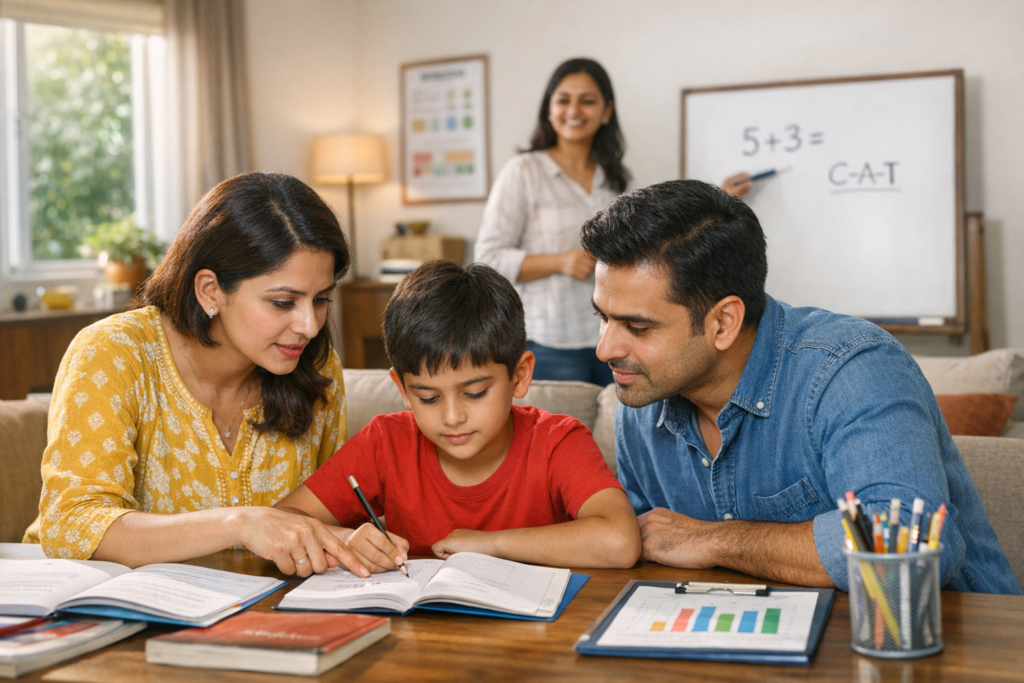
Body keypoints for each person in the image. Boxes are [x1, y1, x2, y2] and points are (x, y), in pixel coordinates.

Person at [580, 179, 1022, 594]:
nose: (605, 349)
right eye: (604, 316)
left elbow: (910, 542)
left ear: (723, 322)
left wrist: (717, 541)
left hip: (940, 645)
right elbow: (643, 545)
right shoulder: (641, 398)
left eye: (637, 326)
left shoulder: (851, 370)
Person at [24, 172, 372, 579]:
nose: (310, 326)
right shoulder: (114, 353)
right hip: (93, 610)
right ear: (209, 290)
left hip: (259, 614)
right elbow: (71, 526)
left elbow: (326, 511)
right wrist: (238, 523)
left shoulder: (315, 364)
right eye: (282, 302)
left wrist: (349, 538)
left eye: (321, 300)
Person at [274, 261, 642, 571]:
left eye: (475, 393)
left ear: (520, 375)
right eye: (428, 397)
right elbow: (281, 520)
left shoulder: (558, 441)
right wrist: (345, 539)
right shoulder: (386, 442)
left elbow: (619, 541)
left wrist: (490, 545)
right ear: (402, 389)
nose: (452, 417)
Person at [475, 58, 628, 386]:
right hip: (549, 342)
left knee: (610, 436)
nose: (574, 110)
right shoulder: (524, 171)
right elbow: (487, 259)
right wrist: (561, 262)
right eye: (563, 100)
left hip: (613, 336)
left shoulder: (614, 179)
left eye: (587, 101)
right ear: (549, 108)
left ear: (606, 111)